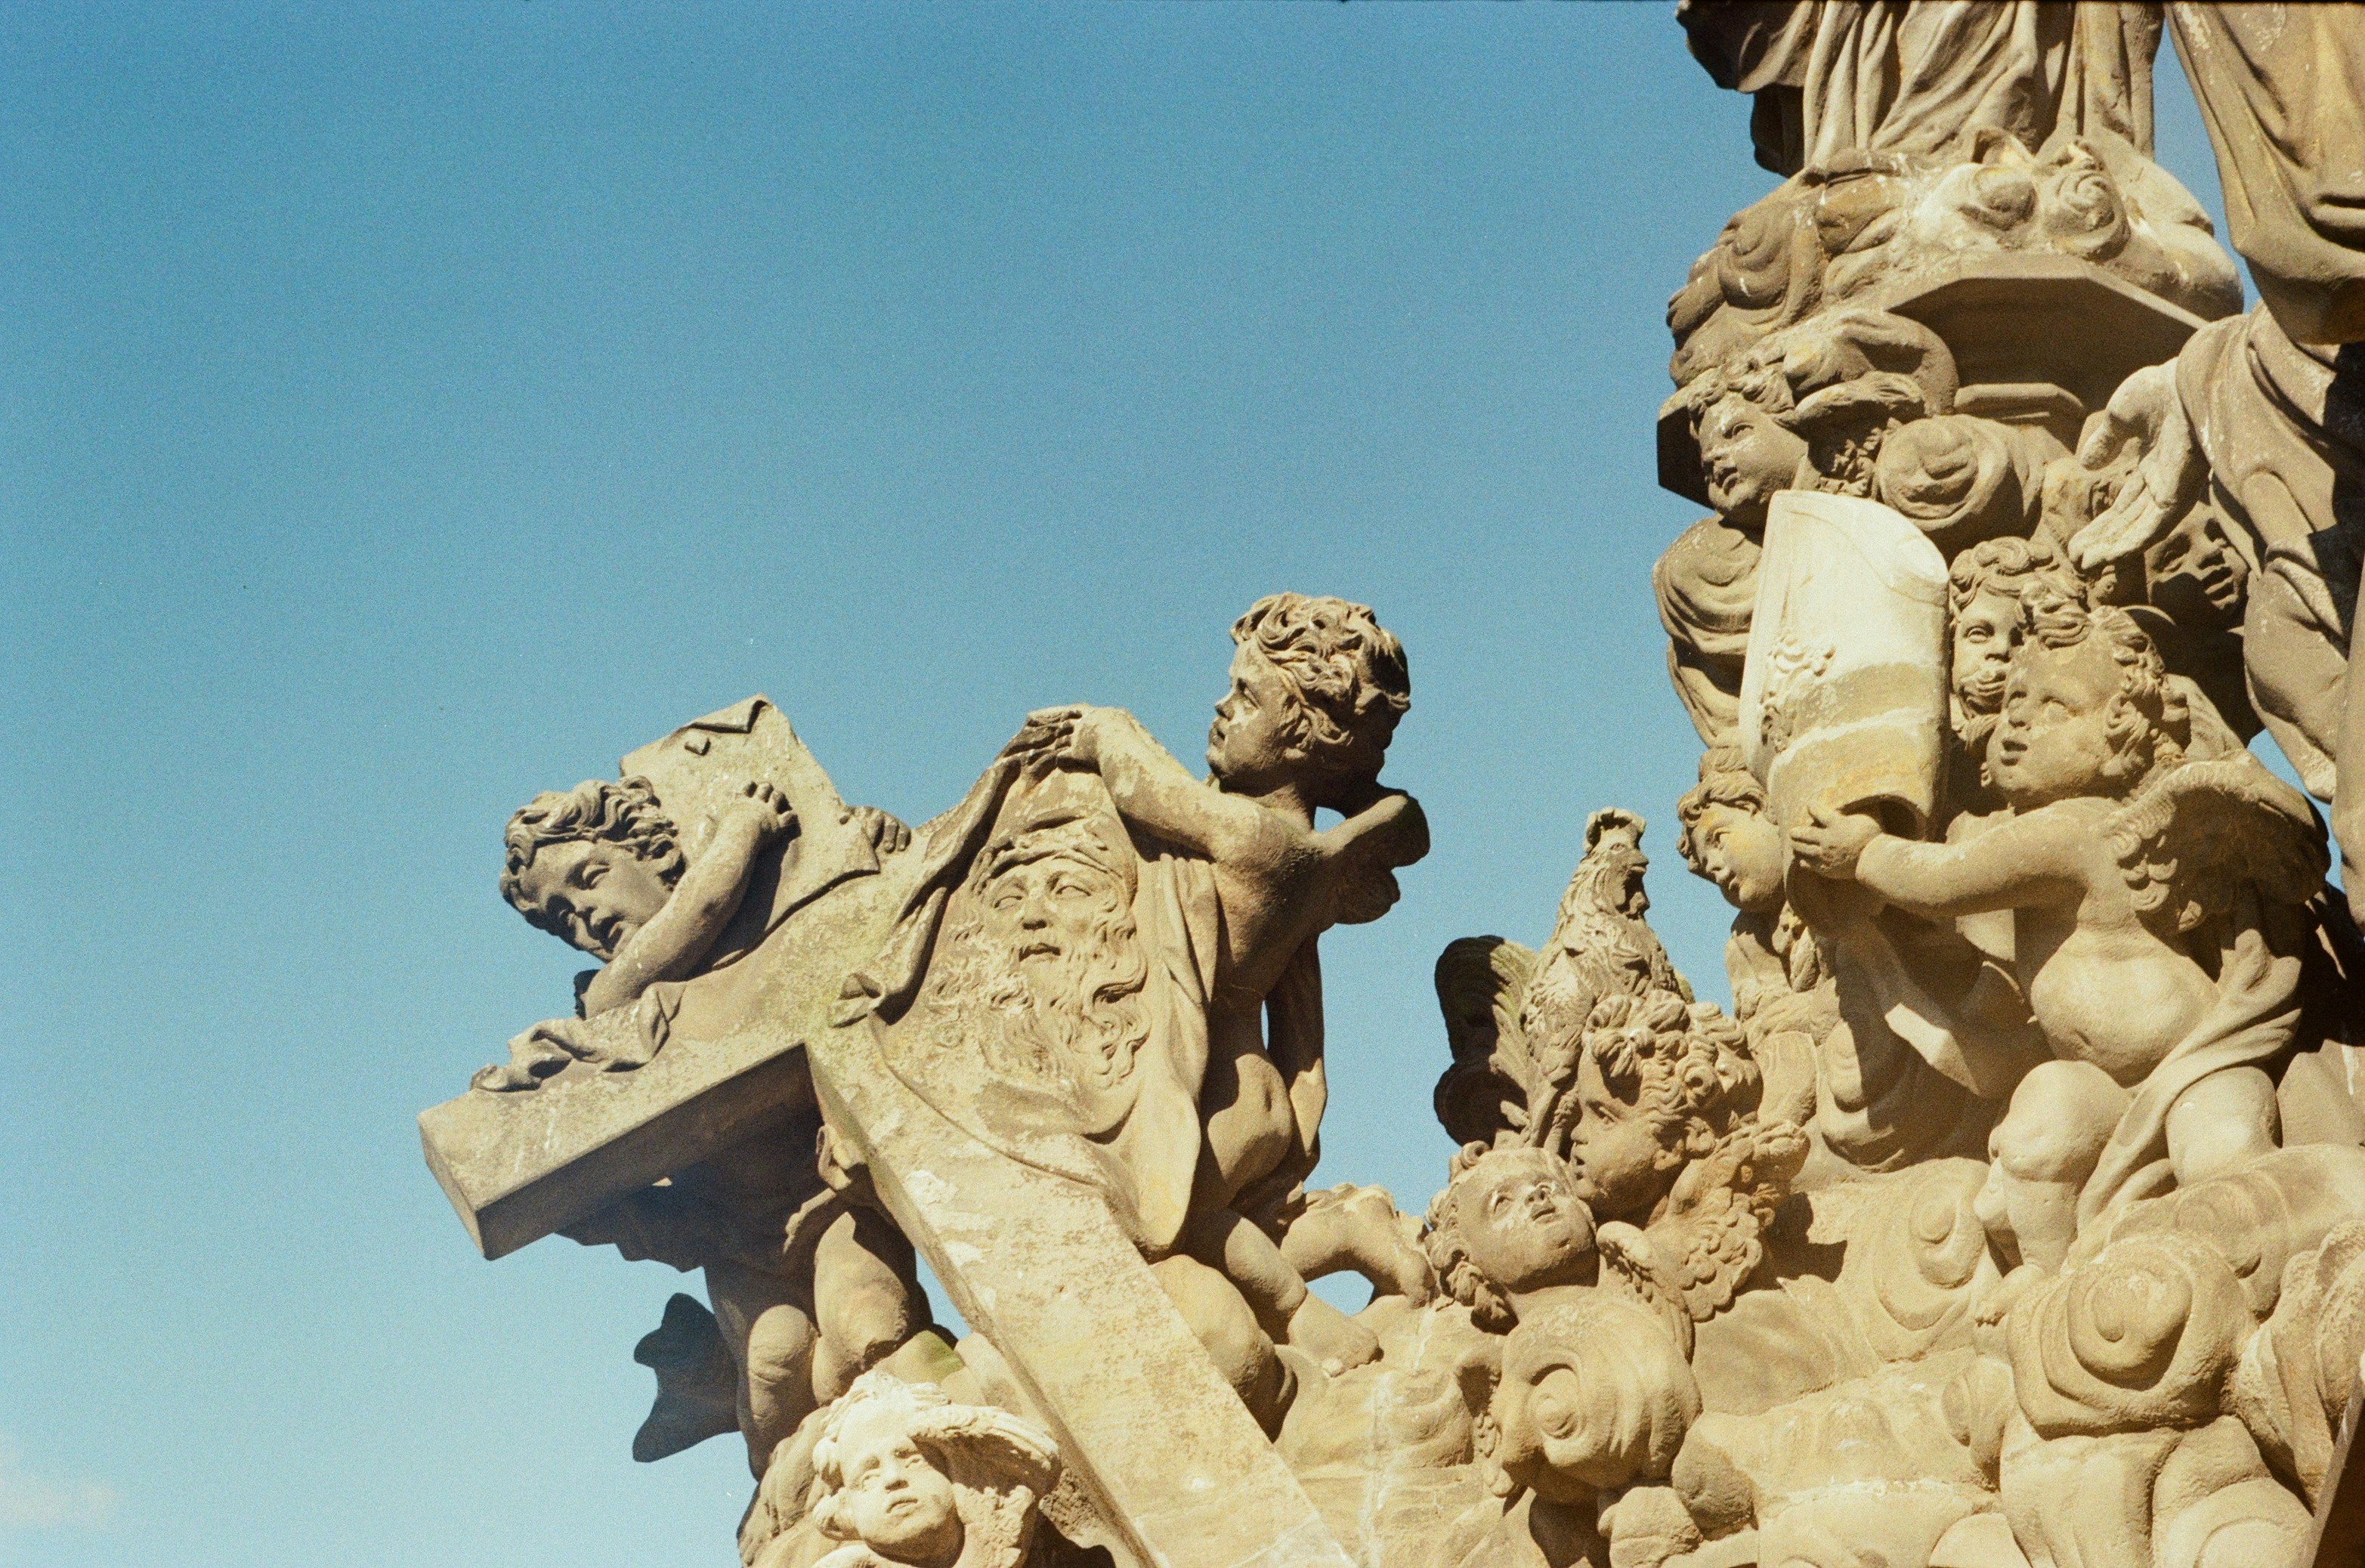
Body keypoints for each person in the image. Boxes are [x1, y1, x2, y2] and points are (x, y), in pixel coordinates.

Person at [1791, 586, 2326, 1220]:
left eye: (2057, 708)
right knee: (2036, 1140)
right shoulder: (2024, 833)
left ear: (2119, 735)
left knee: (2219, 1156)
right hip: (2097, 1079)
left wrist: (1866, 852)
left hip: (2195, 1063)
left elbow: (1943, 881)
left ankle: (2283, 1243)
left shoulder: (2076, 829)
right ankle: (2047, 1289)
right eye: (2016, 701)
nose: (2020, 721)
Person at [1007, 592, 1429, 1371]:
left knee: (1175, 1220)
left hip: (1222, 1086)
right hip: (1252, 1080)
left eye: (1246, 696)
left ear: (1306, 733)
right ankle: (1342, 1234)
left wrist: (1107, 726)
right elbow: (1406, 818)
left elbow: (1143, 790)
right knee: (1228, 1232)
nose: (1220, 706)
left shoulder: (1256, 840)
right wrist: (1349, 777)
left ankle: (1303, 1315)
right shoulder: (1321, 855)